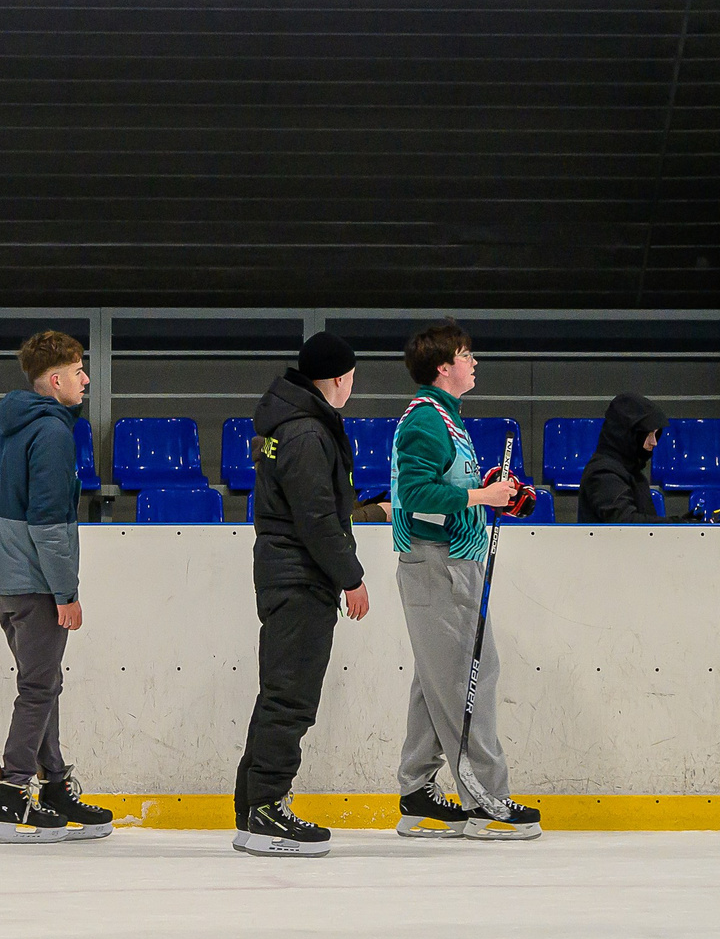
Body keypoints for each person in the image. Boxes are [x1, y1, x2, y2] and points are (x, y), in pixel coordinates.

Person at [388, 321, 540, 841]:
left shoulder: (446, 418)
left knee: (438, 679)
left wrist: (490, 489)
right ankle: (486, 801)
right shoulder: (426, 420)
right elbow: (416, 495)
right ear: (443, 367)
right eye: (466, 354)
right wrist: (481, 497)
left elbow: (443, 485)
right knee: (468, 677)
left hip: (449, 562)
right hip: (439, 565)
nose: (474, 362)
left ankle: (417, 791)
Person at [231, 334, 370, 857]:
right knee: (291, 698)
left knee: (279, 693)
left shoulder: (293, 423)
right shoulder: (307, 431)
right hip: (300, 577)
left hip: (288, 574)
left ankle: (253, 808)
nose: (352, 386)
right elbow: (316, 517)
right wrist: (351, 577)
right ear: (337, 378)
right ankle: (267, 807)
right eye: (351, 377)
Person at [0, 330, 113, 844]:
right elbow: (50, 525)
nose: (86, 380)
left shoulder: (9, 426)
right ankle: (13, 794)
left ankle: (54, 784)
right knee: (37, 689)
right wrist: (66, 593)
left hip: (6, 581)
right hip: (36, 584)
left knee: (44, 682)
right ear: (55, 381)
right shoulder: (53, 433)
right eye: (78, 372)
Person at [578, 393, 667, 524]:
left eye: (656, 434)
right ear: (628, 434)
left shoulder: (630, 471)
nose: (654, 442)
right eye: (648, 434)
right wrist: (678, 524)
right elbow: (625, 523)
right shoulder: (603, 473)